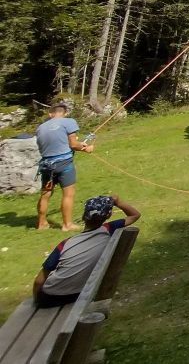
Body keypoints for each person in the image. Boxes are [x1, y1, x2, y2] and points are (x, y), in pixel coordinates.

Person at [33, 194, 140, 308]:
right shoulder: (109, 230)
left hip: (49, 298)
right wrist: (118, 202)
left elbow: (40, 281)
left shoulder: (65, 244)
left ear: (84, 216)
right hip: (80, 294)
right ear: (108, 216)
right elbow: (135, 215)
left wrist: (36, 300)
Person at [35, 103, 95, 231]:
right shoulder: (68, 122)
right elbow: (73, 144)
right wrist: (86, 148)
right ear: (65, 113)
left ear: (50, 114)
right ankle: (67, 224)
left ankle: (41, 224)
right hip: (64, 164)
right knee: (68, 194)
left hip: (46, 166)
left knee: (45, 195)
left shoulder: (40, 128)